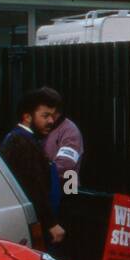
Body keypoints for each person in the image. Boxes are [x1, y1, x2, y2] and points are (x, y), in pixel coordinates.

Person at [0, 88, 65, 246]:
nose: (51, 121)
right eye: (45, 115)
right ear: (27, 116)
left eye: (53, 115)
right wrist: (51, 223)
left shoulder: (22, 138)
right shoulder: (22, 142)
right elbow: (33, 187)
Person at [39, 88, 84, 219]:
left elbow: (65, 166)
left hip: (66, 195)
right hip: (49, 195)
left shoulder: (69, 131)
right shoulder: (44, 129)